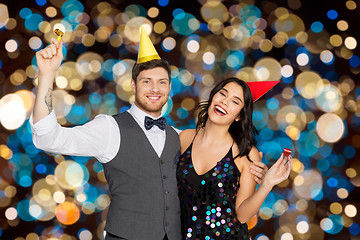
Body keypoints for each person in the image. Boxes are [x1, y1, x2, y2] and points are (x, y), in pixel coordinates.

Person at [31, 28, 268, 239]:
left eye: (162, 82)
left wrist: (257, 173)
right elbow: (47, 137)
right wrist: (47, 75)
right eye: (146, 81)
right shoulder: (109, 128)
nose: (155, 89)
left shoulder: (180, 137)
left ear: (168, 88)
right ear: (133, 86)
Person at [177, 77, 292, 239]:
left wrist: (267, 184)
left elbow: (243, 215)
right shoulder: (185, 138)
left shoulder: (246, 153)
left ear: (239, 116)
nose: (224, 102)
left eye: (235, 102)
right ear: (212, 97)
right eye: (222, 94)